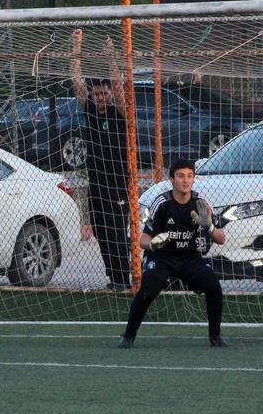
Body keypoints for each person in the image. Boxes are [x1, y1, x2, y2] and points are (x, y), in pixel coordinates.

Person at [118, 159, 227, 348]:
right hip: (161, 257)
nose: (185, 180)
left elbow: (221, 238)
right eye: (180, 176)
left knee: (213, 287)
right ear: (171, 179)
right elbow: (143, 239)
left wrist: (209, 226)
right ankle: (128, 336)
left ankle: (215, 336)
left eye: (189, 176)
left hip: (189, 257)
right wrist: (153, 244)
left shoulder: (201, 203)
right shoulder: (161, 203)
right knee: (148, 290)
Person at [71, 28, 132, 290]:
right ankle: (113, 277)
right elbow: (76, 81)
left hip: (117, 183)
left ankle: (124, 277)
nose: (100, 98)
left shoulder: (120, 112)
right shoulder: (91, 111)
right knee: (99, 228)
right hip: (96, 182)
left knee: (117, 230)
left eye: (104, 94)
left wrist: (110, 56)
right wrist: (76, 48)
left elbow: (117, 84)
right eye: (97, 95)